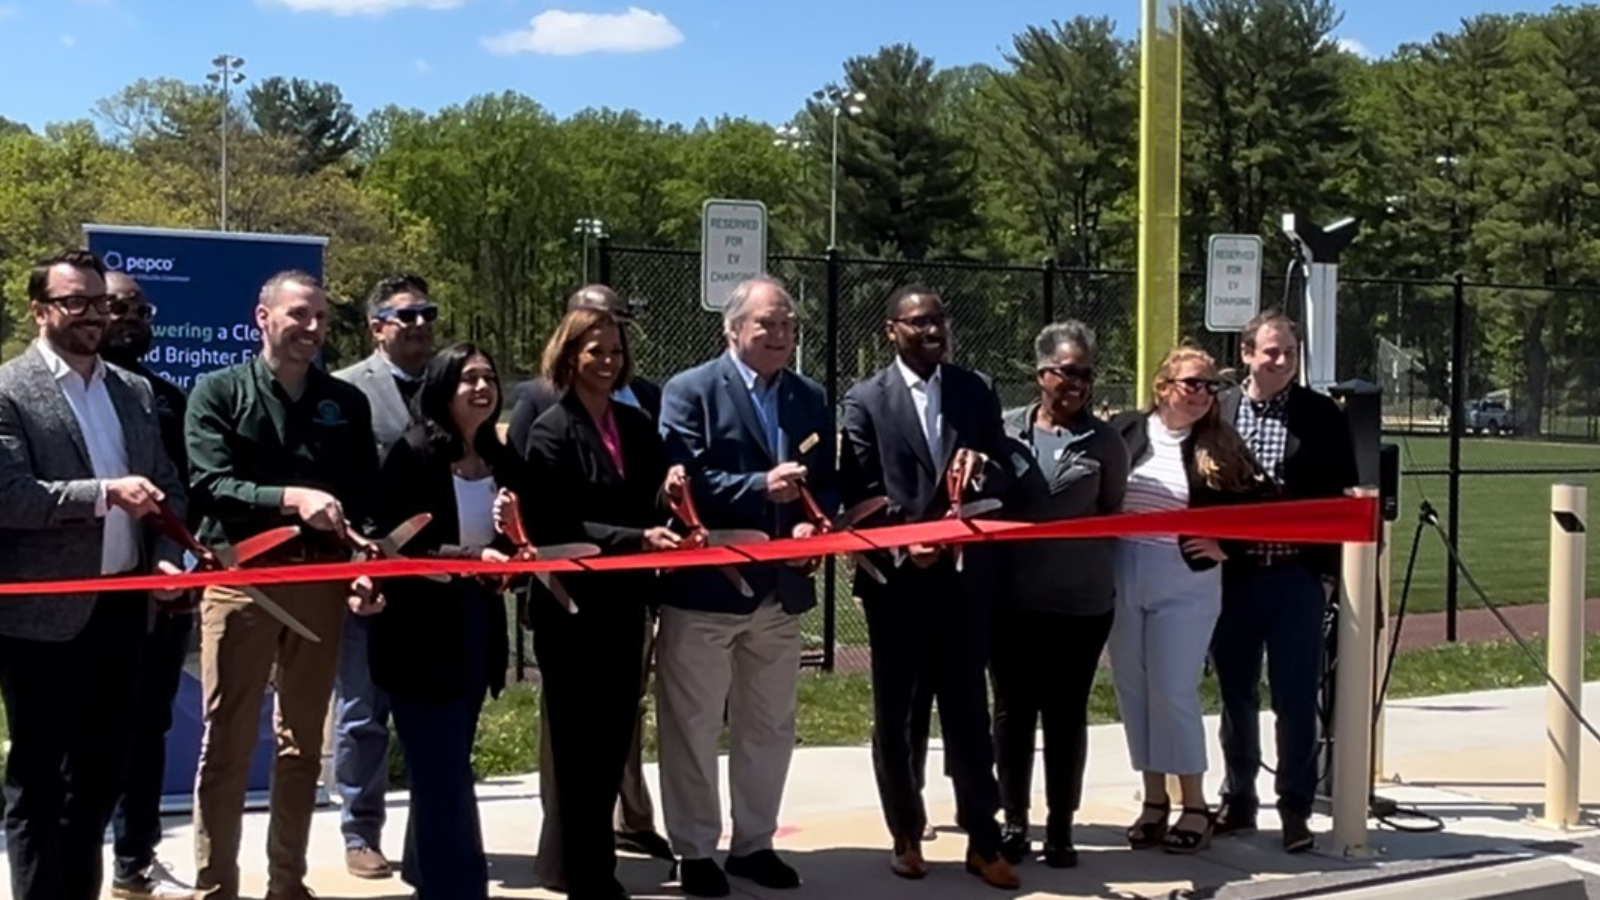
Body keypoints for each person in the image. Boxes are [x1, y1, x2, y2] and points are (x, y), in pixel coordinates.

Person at [185, 270, 386, 900]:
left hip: (321, 584)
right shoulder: (217, 392)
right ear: (262, 318)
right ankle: (216, 885)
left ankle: (287, 883)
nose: (312, 328)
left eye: (321, 318)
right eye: (299, 314)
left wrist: (363, 570)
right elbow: (209, 486)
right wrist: (290, 498)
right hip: (241, 584)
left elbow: (362, 503)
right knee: (228, 740)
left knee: (302, 746)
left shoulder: (345, 404)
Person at [0, 249, 187, 900]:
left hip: (122, 610)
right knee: (39, 782)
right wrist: (102, 493)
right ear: (39, 310)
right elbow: (10, 496)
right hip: (41, 620)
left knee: (102, 778)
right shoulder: (8, 391)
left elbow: (165, 488)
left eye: (99, 303)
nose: (91, 315)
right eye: (73, 302)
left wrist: (167, 551)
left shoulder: (131, 390)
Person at [654, 275, 834, 898]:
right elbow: (684, 482)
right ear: (733, 329)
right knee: (694, 726)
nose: (781, 335)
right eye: (768, 325)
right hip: (705, 591)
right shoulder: (691, 391)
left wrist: (814, 518)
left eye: (788, 325)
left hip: (779, 594)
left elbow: (827, 476)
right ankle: (695, 851)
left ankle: (754, 845)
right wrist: (759, 487)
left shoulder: (808, 397)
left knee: (770, 726)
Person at [837, 285, 1018, 890]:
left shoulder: (973, 390)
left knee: (968, 712)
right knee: (900, 715)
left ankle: (983, 840)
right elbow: (858, 487)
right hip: (896, 585)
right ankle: (906, 834)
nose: (932, 330)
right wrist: (903, 539)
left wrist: (982, 467)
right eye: (918, 322)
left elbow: (1003, 468)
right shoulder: (866, 400)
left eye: (938, 319)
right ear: (892, 330)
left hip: (965, 583)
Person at [517, 286, 673, 889]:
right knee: (575, 744)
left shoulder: (634, 423)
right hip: (570, 610)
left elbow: (655, 493)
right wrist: (635, 537)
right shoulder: (552, 429)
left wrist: (673, 495)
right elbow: (555, 522)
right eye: (594, 350)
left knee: (613, 738)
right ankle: (581, 870)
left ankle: (592, 862)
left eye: (614, 351)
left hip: (625, 604)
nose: (607, 361)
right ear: (569, 354)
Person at [367, 342, 513, 900]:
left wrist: (509, 560)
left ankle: (424, 871)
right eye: (467, 379)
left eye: (489, 378)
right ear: (442, 390)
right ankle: (459, 887)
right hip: (418, 632)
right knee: (444, 768)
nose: (481, 388)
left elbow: (517, 536)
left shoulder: (501, 456)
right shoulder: (412, 454)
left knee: (446, 762)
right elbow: (401, 546)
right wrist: (473, 560)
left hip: (477, 623)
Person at [1108, 345, 1265, 856]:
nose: (1203, 394)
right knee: (1134, 687)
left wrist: (1229, 546)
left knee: (1173, 689)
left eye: (1211, 385)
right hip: (1124, 571)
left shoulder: (1220, 444)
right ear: (1164, 388)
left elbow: (1264, 506)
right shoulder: (1127, 431)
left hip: (1187, 579)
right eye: (1192, 384)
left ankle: (1193, 804)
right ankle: (1154, 799)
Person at [1211, 311, 1358, 853]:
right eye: (1272, 352)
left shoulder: (1320, 416)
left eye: (1290, 353)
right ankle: (1238, 799)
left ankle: (1294, 807)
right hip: (1233, 578)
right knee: (1236, 694)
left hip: (1295, 577)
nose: (1282, 361)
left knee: (1296, 698)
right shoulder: (1219, 410)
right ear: (1247, 353)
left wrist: (1324, 576)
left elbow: (1342, 498)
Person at [991, 321, 1129, 869]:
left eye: (1086, 375)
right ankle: (1015, 820)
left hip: (1080, 604)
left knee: (1066, 714)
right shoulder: (1003, 433)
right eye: (1067, 373)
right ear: (1040, 374)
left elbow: (1111, 509)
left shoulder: (1107, 442)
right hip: (1010, 601)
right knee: (1012, 713)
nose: (1077, 385)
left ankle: (1061, 827)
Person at [330, 272, 438, 880]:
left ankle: (430, 833)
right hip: (368, 574)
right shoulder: (347, 391)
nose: (420, 325)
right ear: (377, 328)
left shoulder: (449, 385)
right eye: (406, 316)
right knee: (362, 714)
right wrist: (355, 564)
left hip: (435, 577)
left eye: (428, 313)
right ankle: (360, 830)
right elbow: (339, 483)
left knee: (428, 709)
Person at [99, 270, 199, 900]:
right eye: (118, 308)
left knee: (148, 723)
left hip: (158, 591)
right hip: (77, 596)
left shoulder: (165, 399)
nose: (132, 320)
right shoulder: (46, 395)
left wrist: (172, 562)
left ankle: (134, 857)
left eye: (140, 309)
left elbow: (182, 491)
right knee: (79, 731)